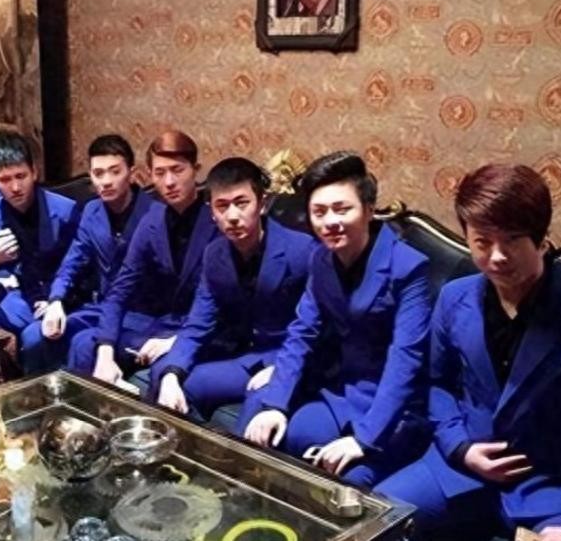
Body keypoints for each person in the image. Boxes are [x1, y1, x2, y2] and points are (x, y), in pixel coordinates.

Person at [376, 164, 561, 541]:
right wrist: (460, 447)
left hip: (553, 484)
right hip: (459, 467)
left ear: (540, 238)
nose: (497, 256)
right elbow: (435, 384)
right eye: (482, 242)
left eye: (512, 240)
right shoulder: (454, 297)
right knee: (375, 523)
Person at [238, 151, 432, 488]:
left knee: (351, 476)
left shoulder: (409, 267)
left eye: (342, 209)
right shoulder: (321, 259)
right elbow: (302, 332)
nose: (330, 221)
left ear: (369, 210)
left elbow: (406, 360)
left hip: (395, 407)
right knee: (273, 422)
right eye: (319, 212)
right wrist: (276, 404)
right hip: (343, 391)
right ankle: (241, 493)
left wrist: (364, 439)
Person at [153, 157, 314, 421]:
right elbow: (198, 324)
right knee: (170, 382)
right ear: (212, 212)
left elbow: (320, 330)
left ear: (262, 204)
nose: (233, 216)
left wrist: (282, 369)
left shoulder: (302, 250)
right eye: (222, 206)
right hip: (241, 356)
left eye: (242, 203)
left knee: (257, 410)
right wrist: (172, 372)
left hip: (287, 359)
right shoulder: (214, 254)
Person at [68, 130, 219, 383]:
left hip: (201, 333)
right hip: (161, 324)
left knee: (160, 367)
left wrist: (177, 340)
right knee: (85, 344)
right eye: (160, 173)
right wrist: (105, 350)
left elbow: (223, 305)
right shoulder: (152, 220)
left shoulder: (217, 220)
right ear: (150, 175)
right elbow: (121, 288)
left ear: (196, 170)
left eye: (177, 170)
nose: (169, 182)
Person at [20, 134, 155, 373]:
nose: (106, 181)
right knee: (34, 336)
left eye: (115, 171)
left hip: (141, 314)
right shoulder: (92, 211)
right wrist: (56, 300)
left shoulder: (155, 214)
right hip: (100, 308)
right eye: (98, 173)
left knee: (83, 346)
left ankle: (73, 395)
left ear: (132, 173)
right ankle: (39, 394)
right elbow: (72, 262)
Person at [0, 132, 80, 337]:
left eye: (21, 176)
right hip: (21, 296)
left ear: (34, 172)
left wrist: (56, 300)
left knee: (33, 338)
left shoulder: (65, 211)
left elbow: (79, 268)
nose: (15, 188)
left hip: (60, 299)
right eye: (5, 179)